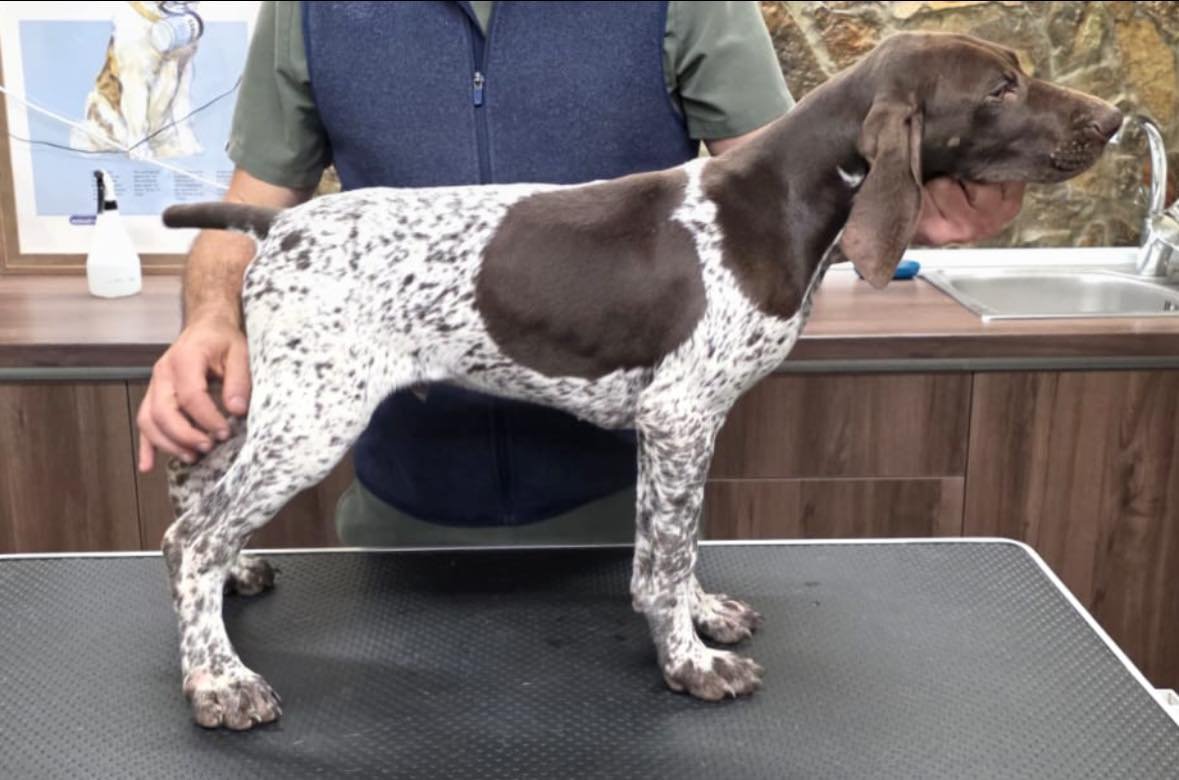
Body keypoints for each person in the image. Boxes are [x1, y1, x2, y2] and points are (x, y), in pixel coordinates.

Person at [135, 1, 1024, 548]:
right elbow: (247, 211)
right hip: (399, 509)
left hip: (615, 512)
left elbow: (780, 200)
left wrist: (903, 208)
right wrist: (210, 320)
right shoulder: (311, 8)